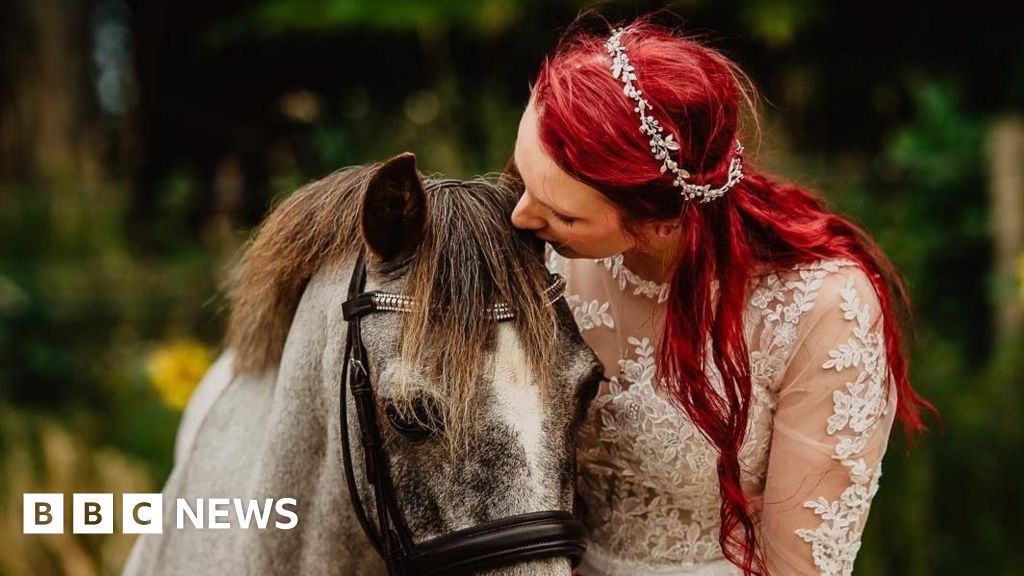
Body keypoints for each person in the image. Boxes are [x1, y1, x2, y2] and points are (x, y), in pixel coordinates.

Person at [506, 15, 936, 576]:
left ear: (661, 223)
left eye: (562, 214)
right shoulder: (536, 254)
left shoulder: (818, 310)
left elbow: (798, 568)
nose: (520, 217)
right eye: (521, 176)